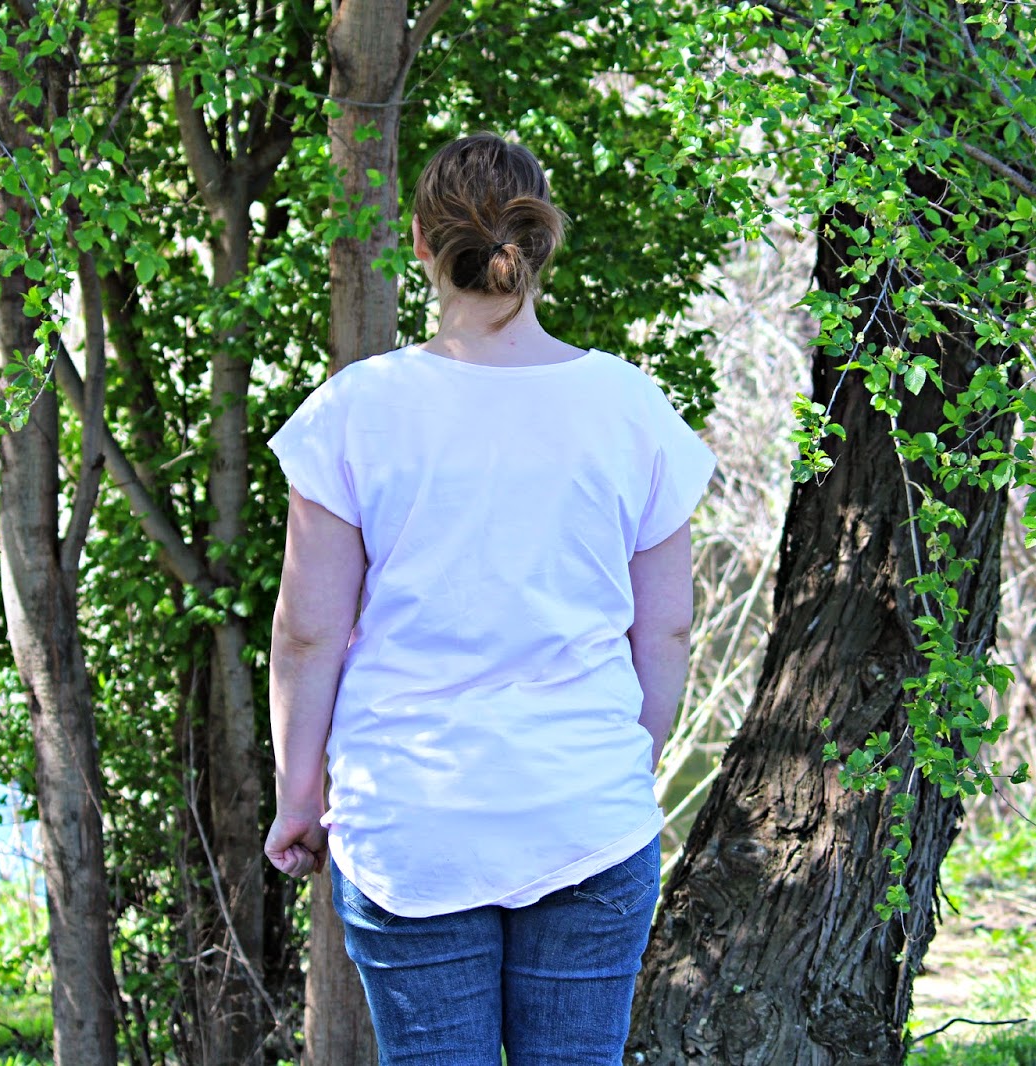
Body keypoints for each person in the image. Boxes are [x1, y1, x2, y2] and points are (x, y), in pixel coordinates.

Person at [261, 130, 717, 1064]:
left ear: (421, 245)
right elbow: (667, 626)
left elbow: (309, 635)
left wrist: (298, 797)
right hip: (585, 813)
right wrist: (624, 762)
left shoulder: (357, 409)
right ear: (543, 242)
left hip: (411, 821)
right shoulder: (630, 407)